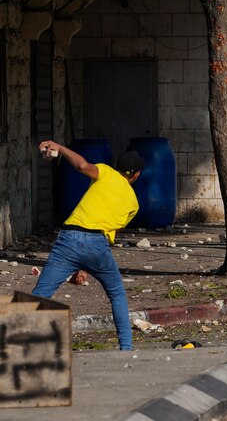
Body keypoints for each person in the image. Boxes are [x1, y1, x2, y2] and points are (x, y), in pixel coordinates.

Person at [33, 140, 144, 351]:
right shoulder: (133, 204)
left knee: (41, 293)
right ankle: (126, 348)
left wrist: (61, 148)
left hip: (68, 239)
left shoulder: (105, 172)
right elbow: (109, 234)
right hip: (97, 245)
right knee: (117, 293)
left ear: (116, 168)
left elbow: (82, 166)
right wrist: (85, 265)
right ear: (136, 175)